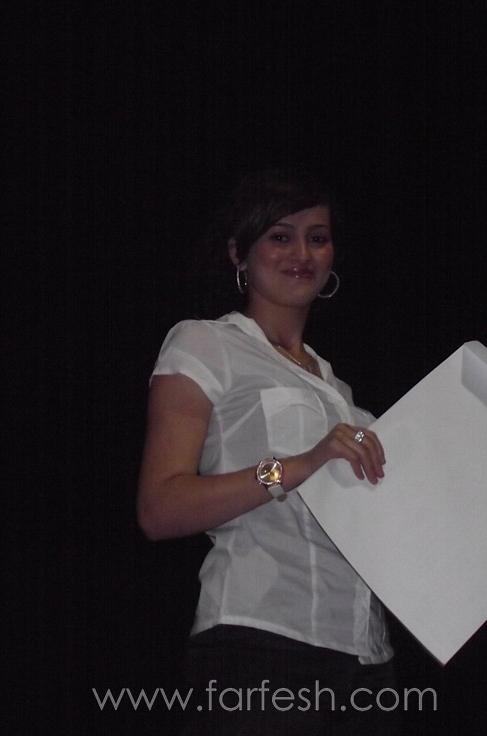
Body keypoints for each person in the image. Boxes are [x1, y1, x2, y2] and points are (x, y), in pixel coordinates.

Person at [137, 170, 400, 735]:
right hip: (261, 649)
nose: (302, 253)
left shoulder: (339, 390)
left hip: (368, 661)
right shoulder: (206, 344)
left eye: (317, 238)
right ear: (240, 252)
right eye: (281, 236)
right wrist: (298, 465)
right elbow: (159, 508)